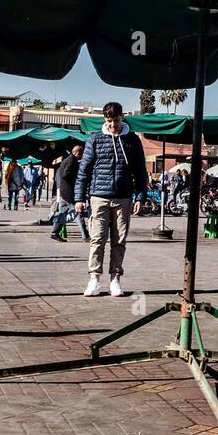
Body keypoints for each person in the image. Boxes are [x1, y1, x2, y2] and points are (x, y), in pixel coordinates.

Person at [74, 101, 146, 298]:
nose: (113, 124)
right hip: (99, 196)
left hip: (123, 197)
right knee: (97, 239)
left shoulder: (132, 140)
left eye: (115, 120)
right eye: (109, 120)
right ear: (104, 120)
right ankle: (94, 278)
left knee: (119, 240)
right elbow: (84, 171)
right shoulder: (95, 139)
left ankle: (115, 279)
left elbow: (140, 171)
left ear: (122, 117)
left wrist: (140, 196)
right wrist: (79, 198)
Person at [50, 144, 88, 242]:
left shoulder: (66, 160)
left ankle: (54, 232)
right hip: (69, 193)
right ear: (78, 153)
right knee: (78, 213)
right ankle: (85, 236)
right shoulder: (72, 161)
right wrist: (75, 180)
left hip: (63, 192)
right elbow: (65, 175)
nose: (82, 155)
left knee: (63, 214)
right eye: (82, 153)